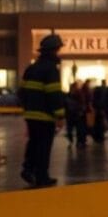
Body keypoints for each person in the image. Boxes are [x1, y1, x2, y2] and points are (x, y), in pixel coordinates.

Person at [19, 33, 66, 187]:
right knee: (44, 147)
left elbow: (22, 92)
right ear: (54, 51)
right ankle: (42, 177)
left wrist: (27, 109)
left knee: (33, 143)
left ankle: (28, 169)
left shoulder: (31, 69)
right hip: (45, 116)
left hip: (31, 115)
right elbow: (54, 94)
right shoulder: (51, 70)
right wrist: (60, 116)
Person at [65, 81, 87, 148]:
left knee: (78, 130)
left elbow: (82, 104)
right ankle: (71, 141)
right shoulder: (68, 95)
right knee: (70, 130)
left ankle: (78, 142)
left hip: (76, 115)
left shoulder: (79, 94)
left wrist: (81, 111)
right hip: (71, 115)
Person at [91, 79, 108, 143]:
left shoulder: (99, 90)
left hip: (97, 109)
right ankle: (100, 136)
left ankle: (97, 136)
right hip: (100, 109)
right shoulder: (104, 89)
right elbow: (103, 100)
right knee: (100, 123)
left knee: (97, 123)